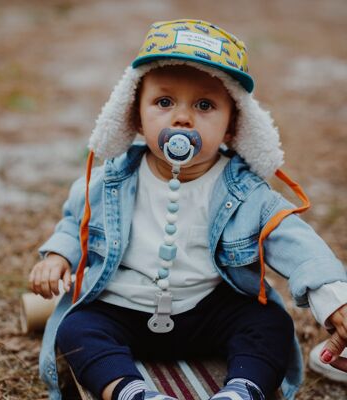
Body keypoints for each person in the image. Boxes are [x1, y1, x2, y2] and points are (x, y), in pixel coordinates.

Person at [28, 19, 347, 400]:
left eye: (205, 105)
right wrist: (58, 254)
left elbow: (295, 241)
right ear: (135, 116)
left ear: (232, 127)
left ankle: (242, 390)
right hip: (125, 309)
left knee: (268, 323)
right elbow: (77, 222)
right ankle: (129, 391)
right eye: (164, 102)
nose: (182, 117)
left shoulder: (244, 190)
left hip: (208, 312)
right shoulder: (109, 181)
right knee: (78, 327)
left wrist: (333, 297)